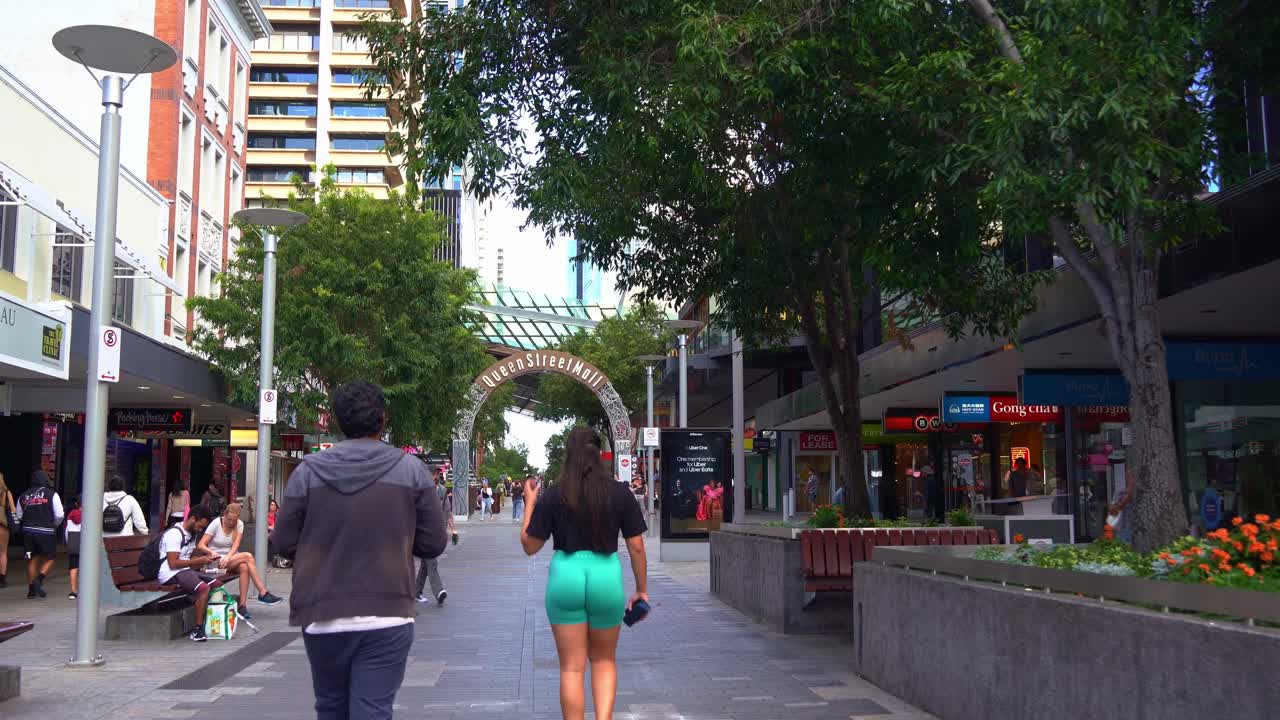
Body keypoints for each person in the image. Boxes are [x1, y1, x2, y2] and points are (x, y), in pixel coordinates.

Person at [273, 381, 448, 719]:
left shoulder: (307, 472)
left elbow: (282, 541)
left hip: (322, 611)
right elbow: (433, 542)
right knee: (373, 710)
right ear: (382, 419)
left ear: (337, 421)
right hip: (388, 611)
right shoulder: (411, 470)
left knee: (330, 708)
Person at [522, 427, 649, 720]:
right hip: (606, 576)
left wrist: (529, 504)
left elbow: (530, 546)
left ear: (569, 455)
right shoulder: (620, 492)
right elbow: (637, 547)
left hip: (565, 575)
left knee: (571, 668)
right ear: (599, 454)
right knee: (604, 661)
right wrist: (641, 589)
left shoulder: (555, 494)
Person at [197, 502, 284, 619]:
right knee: (248, 556)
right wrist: (211, 552)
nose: (231, 522)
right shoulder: (216, 523)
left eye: (234, 520)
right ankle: (263, 592)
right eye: (229, 519)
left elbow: (236, 545)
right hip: (215, 561)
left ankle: (242, 606)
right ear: (225, 515)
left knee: (244, 567)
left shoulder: (239, 524)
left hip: (230, 559)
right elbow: (201, 545)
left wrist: (228, 557)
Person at [156, 504, 222, 641]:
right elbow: (173, 563)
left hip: (184, 571)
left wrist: (205, 560)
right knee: (203, 589)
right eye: (200, 526)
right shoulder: (174, 534)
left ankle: (210, 621)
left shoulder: (192, 534)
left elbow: (189, 559)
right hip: (170, 573)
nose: (200, 529)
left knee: (216, 584)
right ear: (192, 519)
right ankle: (197, 630)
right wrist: (199, 561)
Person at [15, 470, 63, 599]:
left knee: (31, 559)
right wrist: (54, 525)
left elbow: (19, 515)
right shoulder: (52, 494)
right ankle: (39, 580)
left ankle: (31, 591)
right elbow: (59, 515)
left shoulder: (23, 495)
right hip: (46, 531)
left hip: (28, 532)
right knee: (51, 557)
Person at [416, 474, 456, 605]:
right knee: (431, 561)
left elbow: (447, 511)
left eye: (436, 476)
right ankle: (439, 592)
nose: (435, 478)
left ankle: (416, 592)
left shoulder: (442, 491)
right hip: (422, 532)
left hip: (435, 531)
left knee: (425, 564)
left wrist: (453, 530)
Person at [65, 497, 82, 600]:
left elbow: (67, 531)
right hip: (86, 542)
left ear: (76, 504)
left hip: (73, 541)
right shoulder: (91, 515)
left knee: (73, 567)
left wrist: (69, 543)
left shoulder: (70, 515)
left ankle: (73, 592)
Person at [0, 472, 14, 588]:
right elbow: (13, 510)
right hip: (2, 525)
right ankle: (2, 579)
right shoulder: (6, 493)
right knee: (3, 552)